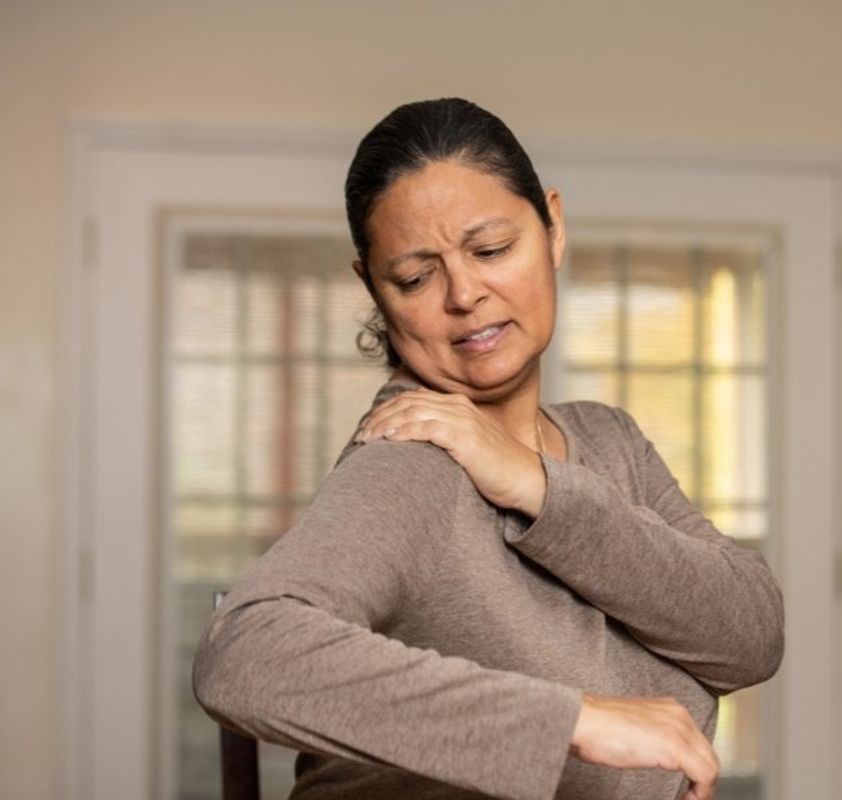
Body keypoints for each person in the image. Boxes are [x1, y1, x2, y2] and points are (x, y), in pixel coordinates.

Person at [193, 97, 785, 800]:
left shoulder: (609, 441)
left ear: (554, 228)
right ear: (374, 290)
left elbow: (750, 635)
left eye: (492, 249)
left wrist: (538, 487)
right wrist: (570, 719)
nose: (465, 293)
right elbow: (245, 655)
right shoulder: (410, 460)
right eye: (416, 277)